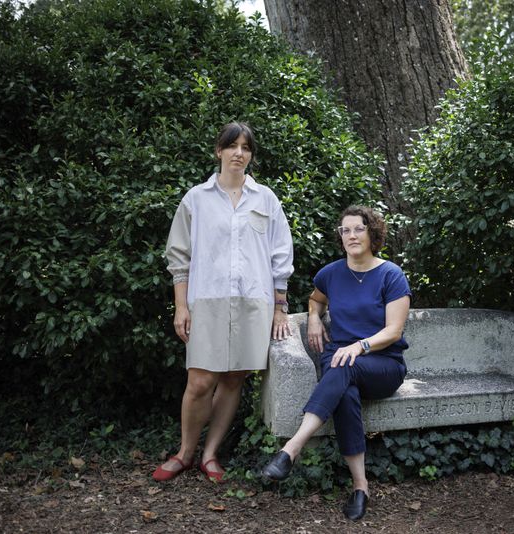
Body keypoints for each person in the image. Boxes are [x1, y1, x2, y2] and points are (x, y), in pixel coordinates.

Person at [154, 121, 294, 483]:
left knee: (234, 378)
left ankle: (210, 454)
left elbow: (280, 255)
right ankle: (185, 453)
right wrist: (181, 307)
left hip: (253, 303)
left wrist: (280, 306)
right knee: (200, 380)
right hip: (208, 300)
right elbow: (179, 257)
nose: (239, 154)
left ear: (251, 155)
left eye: (246, 148)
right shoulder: (196, 199)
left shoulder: (266, 199)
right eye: (232, 146)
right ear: (219, 151)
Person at [261, 205, 411, 521]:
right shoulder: (330, 274)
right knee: (346, 392)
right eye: (346, 230)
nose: (352, 235)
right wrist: (314, 318)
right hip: (341, 359)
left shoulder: (391, 275)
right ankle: (360, 487)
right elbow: (316, 299)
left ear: (372, 233)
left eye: (359, 228)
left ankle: (291, 448)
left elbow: (394, 330)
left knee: (346, 365)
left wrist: (360, 346)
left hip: (382, 363)